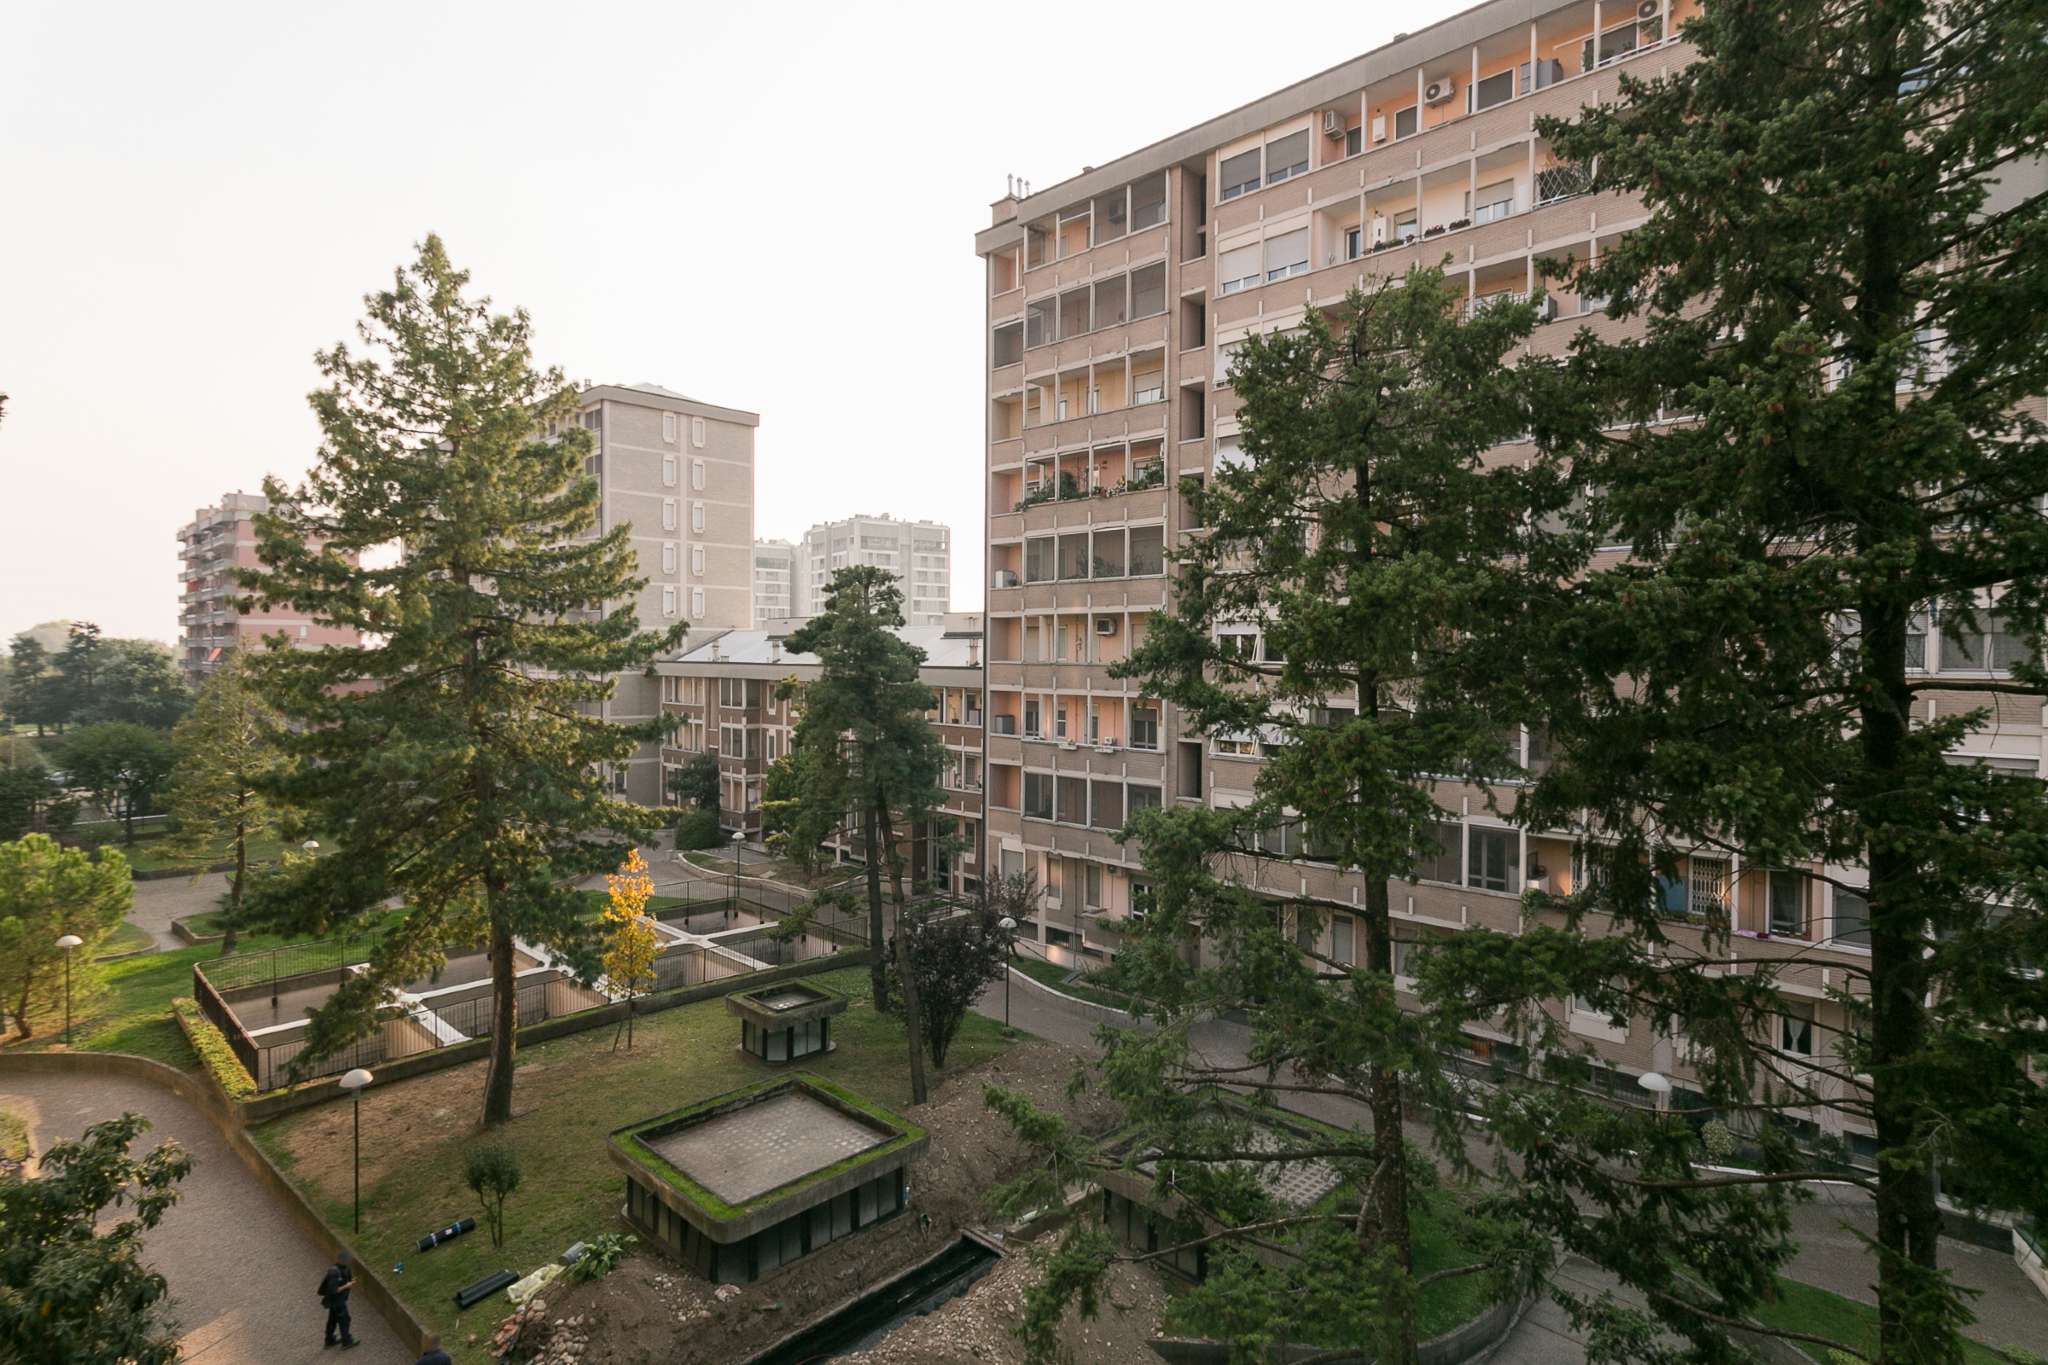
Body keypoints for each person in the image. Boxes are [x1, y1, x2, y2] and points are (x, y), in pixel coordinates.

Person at [317, 1250, 358, 1349]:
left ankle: (329, 1340)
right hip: (337, 1301)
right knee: (344, 1319)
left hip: (335, 1301)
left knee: (333, 1319)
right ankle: (346, 1341)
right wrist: (347, 1285)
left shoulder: (341, 1269)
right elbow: (333, 1290)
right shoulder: (334, 1273)